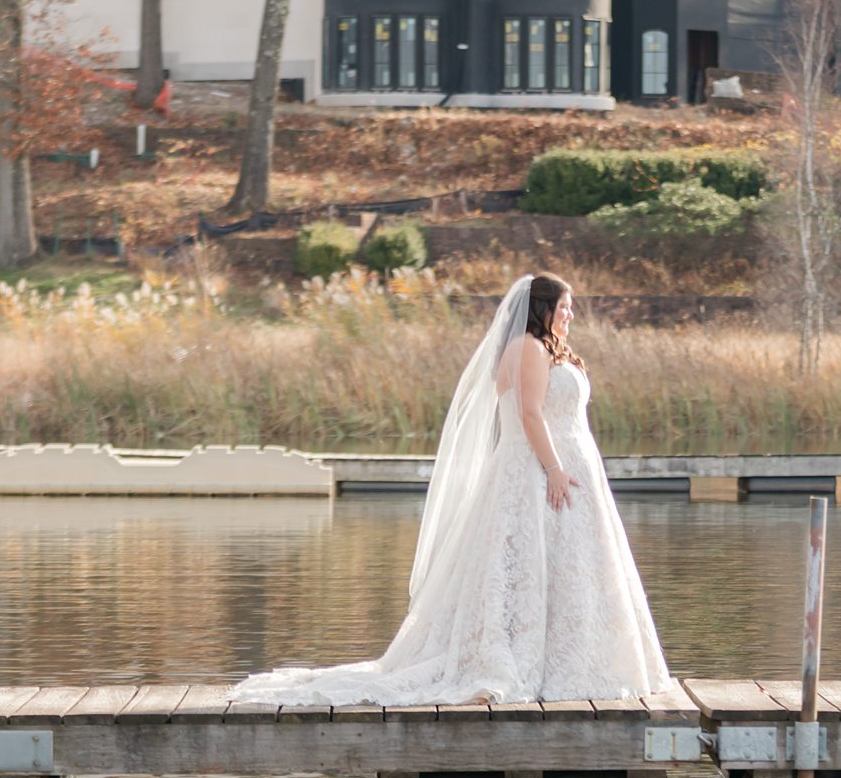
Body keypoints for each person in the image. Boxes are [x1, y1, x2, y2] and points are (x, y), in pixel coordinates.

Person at [231, 273, 671, 705]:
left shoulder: (547, 350)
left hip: (565, 470)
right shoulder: (527, 348)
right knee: (529, 562)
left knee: (568, 565)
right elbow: (531, 415)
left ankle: (574, 659)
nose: (571, 313)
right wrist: (554, 468)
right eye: (563, 306)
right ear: (542, 309)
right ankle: (522, 660)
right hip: (539, 470)